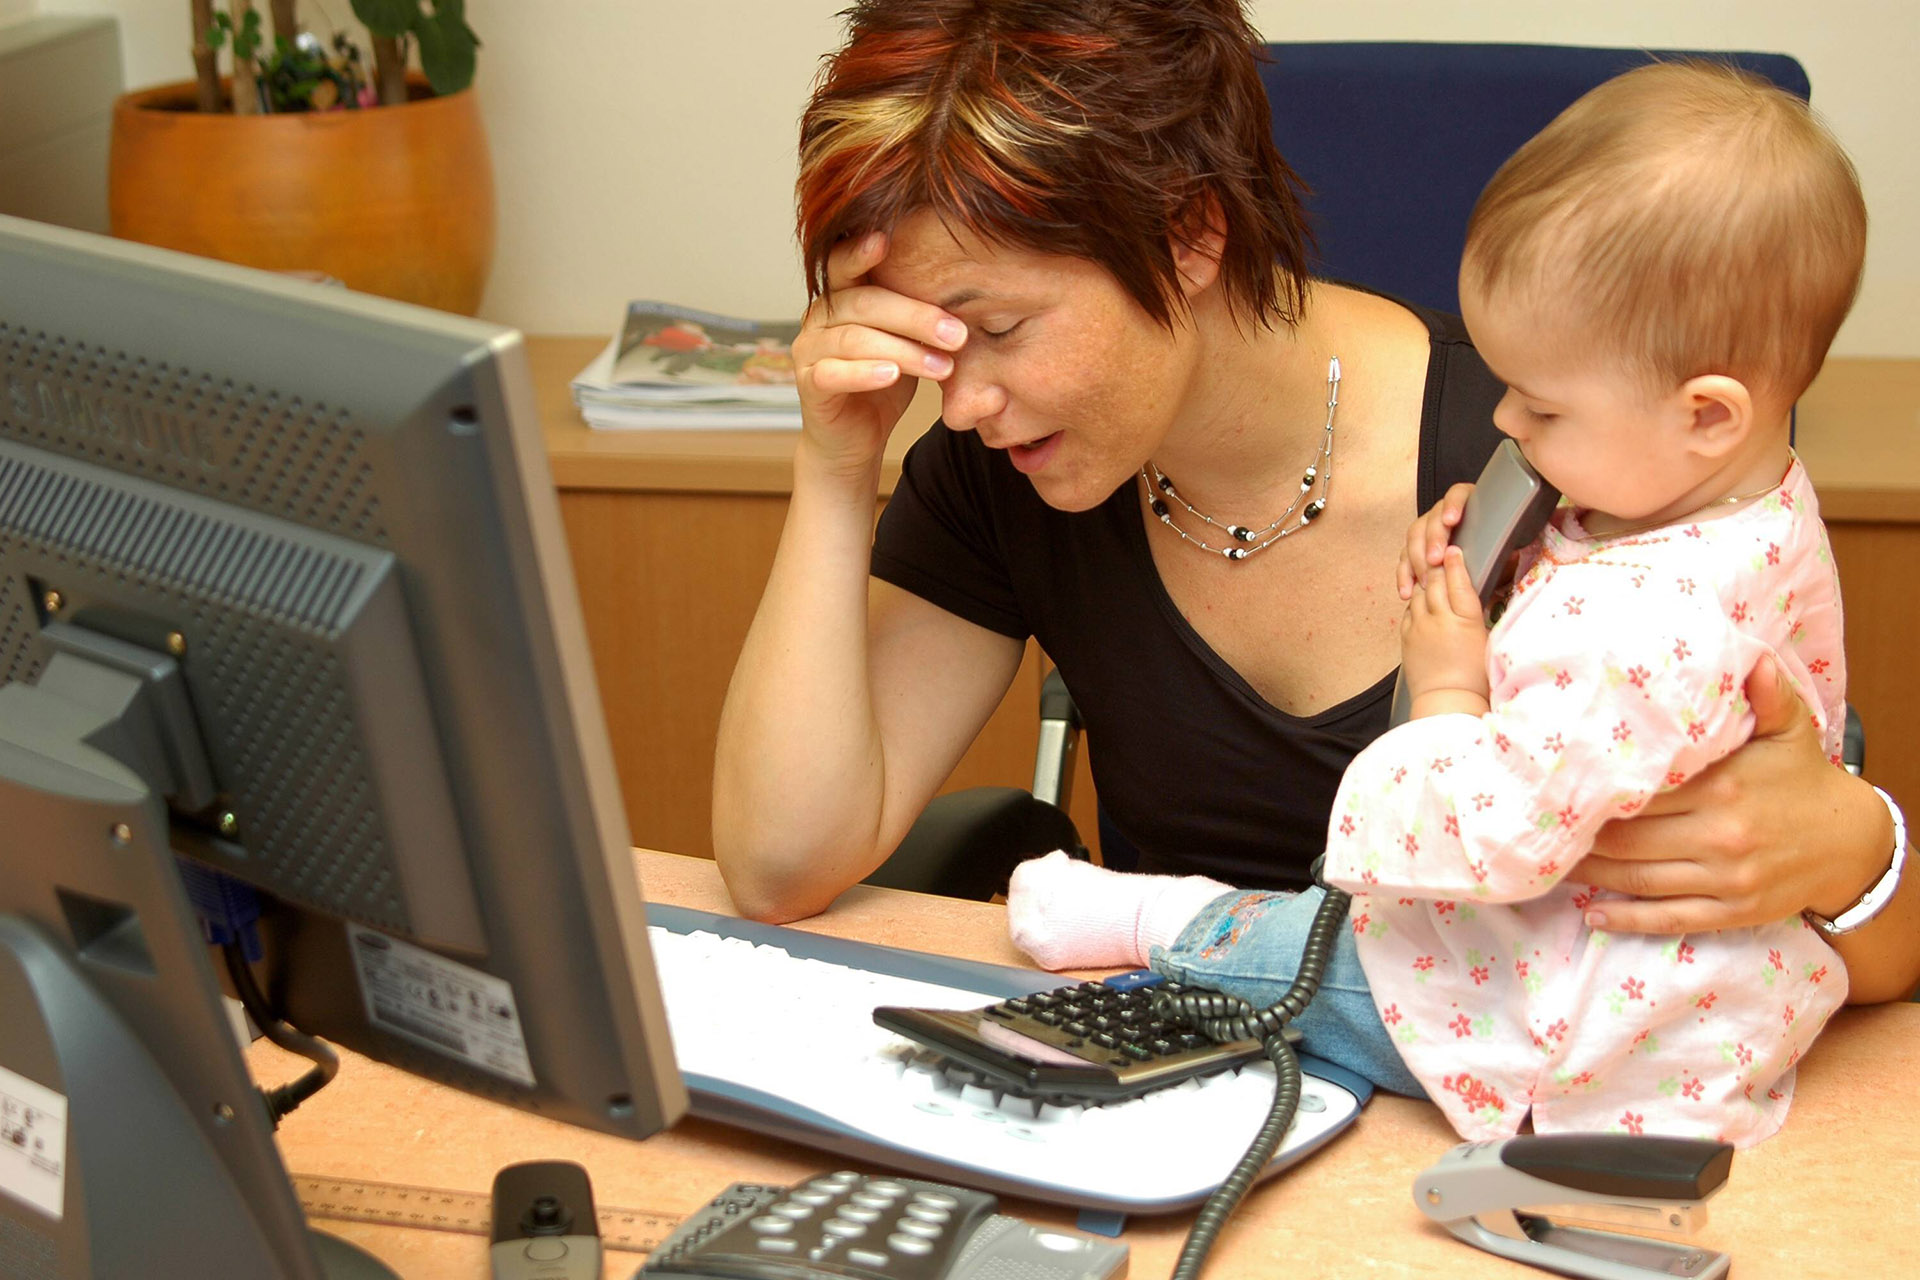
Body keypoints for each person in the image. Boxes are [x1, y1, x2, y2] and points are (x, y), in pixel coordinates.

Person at [710, 0, 1919, 1024]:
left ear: (1189, 235)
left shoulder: (1554, 463)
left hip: (1495, 1119)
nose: (961, 399)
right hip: (1172, 1089)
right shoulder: (1004, 462)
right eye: (931, 344)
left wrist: (1852, 851)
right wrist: (835, 465)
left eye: (1004, 327)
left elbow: (1831, 959)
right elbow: (780, 863)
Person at [1009, 60, 1882, 1144]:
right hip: (1689, 1007)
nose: (1507, 419)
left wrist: (1450, 682)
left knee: (1309, 955)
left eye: (1546, 406)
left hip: (1562, 1034)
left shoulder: (1637, 629)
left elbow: (1479, 840)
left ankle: (1156, 918)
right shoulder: (1744, 507)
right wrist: (1538, 559)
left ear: (1706, 414)